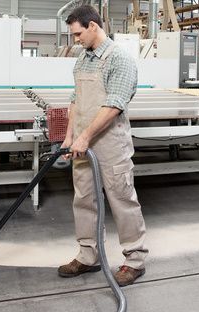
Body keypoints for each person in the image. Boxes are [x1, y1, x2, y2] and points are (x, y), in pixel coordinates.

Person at [58, 5, 148, 287]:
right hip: (83, 145)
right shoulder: (83, 59)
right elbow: (75, 101)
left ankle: (134, 260)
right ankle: (88, 256)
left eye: (77, 34)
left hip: (111, 145)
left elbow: (113, 105)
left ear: (93, 26)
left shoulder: (119, 59)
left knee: (122, 201)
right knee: (83, 199)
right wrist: (70, 136)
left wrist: (85, 137)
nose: (75, 40)